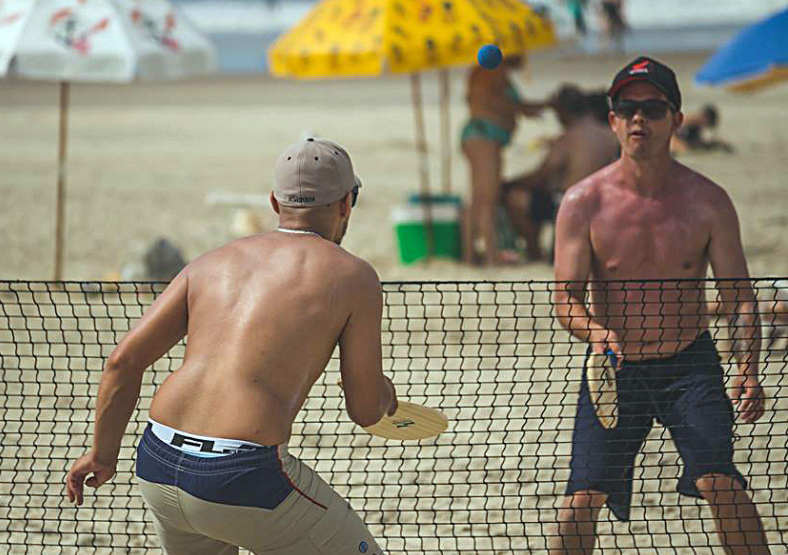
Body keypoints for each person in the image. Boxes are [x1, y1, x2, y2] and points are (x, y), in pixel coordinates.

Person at [65, 136, 397, 555]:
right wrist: (386, 395)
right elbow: (365, 410)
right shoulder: (354, 276)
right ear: (347, 204)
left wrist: (102, 455)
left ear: (275, 203)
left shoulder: (210, 261)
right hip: (241, 476)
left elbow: (122, 362)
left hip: (157, 463)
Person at [551, 57, 769, 554]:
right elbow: (565, 299)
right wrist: (595, 332)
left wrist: (748, 368)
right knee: (581, 498)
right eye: (626, 108)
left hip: (689, 363)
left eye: (651, 108)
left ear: (676, 119)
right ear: (612, 119)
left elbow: (739, 297)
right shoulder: (583, 201)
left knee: (722, 484)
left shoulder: (708, 201)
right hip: (614, 365)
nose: (637, 120)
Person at [502, 85, 618, 260]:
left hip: (569, 203)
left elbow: (542, 174)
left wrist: (512, 184)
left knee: (516, 197)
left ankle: (534, 251)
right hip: (604, 200)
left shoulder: (570, 136)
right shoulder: (611, 135)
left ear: (563, 112)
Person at [461, 55, 544, 265]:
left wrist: (537, 106)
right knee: (487, 198)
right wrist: (523, 109)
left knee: (480, 197)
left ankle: (473, 255)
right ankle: (490, 256)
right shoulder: (492, 70)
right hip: (484, 136)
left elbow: (505, 102)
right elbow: (496, 103)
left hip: (482, 137)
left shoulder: (491, 71)